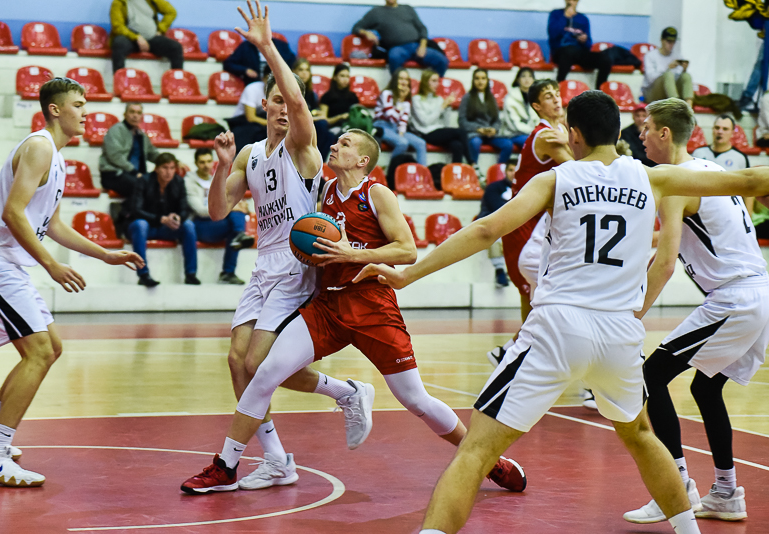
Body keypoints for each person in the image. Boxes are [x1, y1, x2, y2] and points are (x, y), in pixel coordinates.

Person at [357, 90, 769, 534]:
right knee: (642, 437)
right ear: (618, 131)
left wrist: (409, 274)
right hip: (619, 333)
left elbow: (485, 230)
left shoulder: (556, 180)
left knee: (476, 450)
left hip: (559, 327)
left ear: (573, 134)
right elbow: (751, 182)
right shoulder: (655, 178)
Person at [201, 127, 527, 496]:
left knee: (415, 399)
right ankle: (227, 465)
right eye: (337, 141)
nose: (334, 145)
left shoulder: (377, 193)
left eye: (345, 143)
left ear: (362, 160)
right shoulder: (325, 191)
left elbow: (407, 250)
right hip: (329, 305)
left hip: (372, 305)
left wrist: (354, 253)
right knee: (263, 371)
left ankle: (488, 462)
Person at [181, 1, 372, 494]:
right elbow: (218, 212)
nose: (285, 108)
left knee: (258, 366)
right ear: (264, 106)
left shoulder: (303, 148)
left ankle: (233, 461)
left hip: (296, 265)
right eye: (277, 102)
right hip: (262, 264)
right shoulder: (250, 153)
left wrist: (267, 47)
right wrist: (222, 166)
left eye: (289, 101)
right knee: (237, 362)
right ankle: (280, 457)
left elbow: (301, 104)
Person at [0, 78, 143, 487]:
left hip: (9, 263)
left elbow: (54, 225)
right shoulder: (40, 147)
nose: (86, 112)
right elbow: (13, 213)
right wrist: (50, 265)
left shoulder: (57, 156)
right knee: (40, 352)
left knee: (52, 348)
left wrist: (105, 253)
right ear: (55, 109)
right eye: (79, 105)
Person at [623, 97, 766, 524]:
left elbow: (665, 264)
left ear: (665, 133)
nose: (641, 135)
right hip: (757, 292)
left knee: (650, 377)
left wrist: (632, 315)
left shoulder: (677, 183)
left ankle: (676, 486)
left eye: (647, 128)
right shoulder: (711, 169)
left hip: (733, 298)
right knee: (706, 388)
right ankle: (725, 493)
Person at [499, 79, 572, 328]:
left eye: (557, 93)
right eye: (548, 96)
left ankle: (520, 344)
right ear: (537, 106)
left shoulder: (559, 131)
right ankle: (524, 344)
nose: (556, 99)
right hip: (522, 221)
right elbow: (578, 168)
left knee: (532, 291)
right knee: (531, 291)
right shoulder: (545, 135)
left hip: (538, 220)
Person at [125, 152, 198, 287]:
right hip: (145, 227)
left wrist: (177, 218)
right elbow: (136, 210)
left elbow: (185, 209)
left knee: (188, 225)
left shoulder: (179, 182)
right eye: (165, 168)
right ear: (156, 168)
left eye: (172, 168)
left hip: (166, 227)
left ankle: (191, 274)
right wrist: (161, 219)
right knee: (140, 225)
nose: (168, 172)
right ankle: (143, 274)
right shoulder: (143, 180)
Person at [185, 148, 254, 285]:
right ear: (196, 163)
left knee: (237, 217)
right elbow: (199, 210)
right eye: (202, 162)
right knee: (235, 217)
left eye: (209, 161)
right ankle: (239, 235)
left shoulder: (216, 180)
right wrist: (229, 207)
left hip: (217, 223)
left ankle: (228, 272)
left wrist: (240, 206)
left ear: (213, 162)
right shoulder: (189, 181)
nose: (206, 165)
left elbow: (228, 201)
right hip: (199, 225)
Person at [351, 0, 448, 77]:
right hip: (397, 48)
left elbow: (422, 28)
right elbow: (356, 27)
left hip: (417, 46)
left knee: (442, 61)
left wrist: (422, 46)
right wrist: (366, 33)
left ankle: (431, 89)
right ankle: (397, 89)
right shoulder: (376, 13)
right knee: (394, 57)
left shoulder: (407, 9)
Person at [410, 69, 477, 172]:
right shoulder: (417, 99)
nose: (437, 84)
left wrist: (448, 108)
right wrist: (442, 107)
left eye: (438, 81)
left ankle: (455, 174)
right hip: (425, 132)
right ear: (425, 82)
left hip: (438, 131)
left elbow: (445, 124)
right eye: (434, 81)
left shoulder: (439, 99)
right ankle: (472, 163)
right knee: (461, 132)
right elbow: (425, 122)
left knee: (457, 145)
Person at [99, 103, 160, 198]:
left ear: (141, 116)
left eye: (138, 113)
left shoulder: (142, 135)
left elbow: (152, 153)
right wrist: (134, 172)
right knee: (140, 186)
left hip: (135, 175)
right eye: (132, 112)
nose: (135, 115)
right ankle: (126, 209)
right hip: (114, 174)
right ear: (125, 114)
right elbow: (115, 156)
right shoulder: (116, 130)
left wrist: (172, 161)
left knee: (159, 185)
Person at [547, 0, 611, 89]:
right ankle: (558, 87)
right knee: (568, 52)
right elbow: (552, 35)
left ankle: (599, 92)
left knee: (605, 59)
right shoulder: (556, 14)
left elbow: (588, 45)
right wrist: (565, 17)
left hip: (578, 52)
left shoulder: (583, 19)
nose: (571, 2)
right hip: (561, 52)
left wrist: (584, 40)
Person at [109, 0, 184, 73]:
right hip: (130, 39)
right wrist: (136, 37)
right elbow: (117, 26)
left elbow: (171, 12)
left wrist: (161, 29)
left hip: (152, 37)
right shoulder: (119, 2)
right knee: (119, 44)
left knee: (176, 47)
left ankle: (176, 79)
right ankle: (119, 78)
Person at [373, 68, 427, 165]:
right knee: (402, 143)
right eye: (401, 79)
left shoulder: (406, 101)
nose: (404, 82)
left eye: (406, 79)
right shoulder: (386, 94)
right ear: (395, 80)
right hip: (382, 125)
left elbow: (403, 120)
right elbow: (391, 117)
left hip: (396, 128)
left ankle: (423, 172)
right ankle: (392, 171)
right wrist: (401, 100)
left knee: (421, 143)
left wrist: (401, 132)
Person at [459, 69, 511, 165]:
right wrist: (478, 129)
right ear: (473, 81)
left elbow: (497, 120)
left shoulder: (491, 98)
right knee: (475, 142)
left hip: (490, 134)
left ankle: (498, 169)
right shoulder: (467, 97)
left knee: (507, 144)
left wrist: (494, 129)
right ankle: (474, 168)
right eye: (477, 78)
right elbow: (462, 121)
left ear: (487, 81)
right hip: (474, 133)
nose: (480, 81)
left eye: (483, 78)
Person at [292, 57, 338, 165]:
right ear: (294, 71)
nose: (304, 73)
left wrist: (317, 114)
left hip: (308, 123)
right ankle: (313, 162)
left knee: (330, 135)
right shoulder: (291, 90)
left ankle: (318, 163)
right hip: (294, 123)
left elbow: (312, 110)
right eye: (301, 69)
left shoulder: (311, 94)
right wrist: (316, 117)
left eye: (307, 70)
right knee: (321, 125)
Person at [477, 159, 515, 288]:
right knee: (495, 232)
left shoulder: (524, 189)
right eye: (511, 170)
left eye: (516, 170)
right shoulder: (493, 187)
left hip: (513, 224)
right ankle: (500, 271)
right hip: (492, 222)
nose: (514, 173)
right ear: (505, 172)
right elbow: (498, 210)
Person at [642, 27, 693, 105]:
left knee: (686, 76)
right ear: (662, 40)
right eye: (669, 42)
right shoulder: (650, 55)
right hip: (652, 92)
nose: (671, 45)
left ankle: (689, 106)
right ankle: (675, 105)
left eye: (673, 42)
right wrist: (667, 68)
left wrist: (684, 70)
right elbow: (650, 79)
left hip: (670, 92)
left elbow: (678, 79)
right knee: (668, 74)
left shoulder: (677, 56)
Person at [223, 31, 295, 86]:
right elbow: (228, 64)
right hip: (254, 84)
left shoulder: (281, 46)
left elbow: (293, 62)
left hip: (279, 84)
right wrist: (245, 70)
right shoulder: (245, 47)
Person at [225, 65, 271, 151]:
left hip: (262, 122)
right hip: (243, 122)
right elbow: (251, 117)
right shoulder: (252, 89)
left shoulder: (279, 91)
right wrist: (272, 123)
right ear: (263, 78)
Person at [499, 68, 539, 159]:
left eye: (530, 76)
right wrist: (533, 131)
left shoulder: (536, 97)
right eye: (523, 76)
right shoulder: (510, 98)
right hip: (512, 133)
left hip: (531, 132)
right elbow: (514, 124)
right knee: (531, 142)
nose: (527, 79)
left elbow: (539, 119)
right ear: (518, 80)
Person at [319, 63, 360, 134]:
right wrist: (340, 117)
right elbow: (324, 120)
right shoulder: (326, 97)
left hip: (351, 127)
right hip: (334, 128)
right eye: (342, 76)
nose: (345, 79)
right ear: (335, 77)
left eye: (347, 76)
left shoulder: (353, 96)